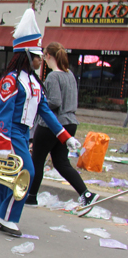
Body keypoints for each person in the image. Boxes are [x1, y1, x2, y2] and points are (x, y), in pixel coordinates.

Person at [0, 10, 82, 235]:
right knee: (26, 172)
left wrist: (66, 138)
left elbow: (46, 112)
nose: (41, 59)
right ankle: (7, 217)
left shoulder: (34, 82)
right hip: (12, 132)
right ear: (27, 55)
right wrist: (2, 142)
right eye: (37, 55)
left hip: (24, 131)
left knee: (9, 173)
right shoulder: (11, 80)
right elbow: (4, 114)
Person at [25, 42, 95, 207]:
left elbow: (55, 101)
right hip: (70, 122)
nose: (43, 59)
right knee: (61, 162)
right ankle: (86, 193)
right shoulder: (70, 75)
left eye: (44, 56)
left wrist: (38, 106)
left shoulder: (53, 76)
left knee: (37, 160)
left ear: (49, 56)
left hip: (52, 124)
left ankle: (31, 196)